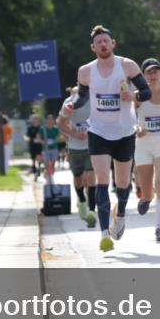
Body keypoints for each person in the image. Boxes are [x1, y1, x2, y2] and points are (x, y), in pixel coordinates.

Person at [62, 25, 152, 252]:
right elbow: (83, 97)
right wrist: (74, 105)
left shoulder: (127, 66)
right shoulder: (85, 71)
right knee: (101, 179)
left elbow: (147, 92)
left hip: (124, 131)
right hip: (98, 131)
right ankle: (104, 234)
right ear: (93, 47)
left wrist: (134, 96)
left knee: (122, 184)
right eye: (98, 42)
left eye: (106, 41)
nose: (103, 45)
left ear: (113, 43)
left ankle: (120, 213)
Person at [134, 58, 160, 242]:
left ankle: (159, 228)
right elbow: (128, 117)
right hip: (143, 144)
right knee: (148, 189)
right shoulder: (138, 96)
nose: (153, 75)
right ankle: (146, 198)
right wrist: (137, 128)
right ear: (143, 76)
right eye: (149, 72)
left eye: (155, 71)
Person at [59, 86, 97, 224]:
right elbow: (61, 123)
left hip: (91, 145)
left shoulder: (93, 100)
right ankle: (81, 199)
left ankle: (92, 211)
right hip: (75, 147)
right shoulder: (69, 102)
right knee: (78, 179)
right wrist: (74, 134)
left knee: (91, 177)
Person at [39, 114, 61, 181]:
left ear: (53, 120)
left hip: (54, 148)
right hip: (45, 149)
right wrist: (43, 142)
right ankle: (49, 178)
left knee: (52, 164)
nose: (50, 120)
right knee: (47, 164)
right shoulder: (42, 128)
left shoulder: (56, 129)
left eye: (51, 119)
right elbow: (38, 137)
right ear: (46, 120)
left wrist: (55, 140)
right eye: (48, 119)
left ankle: (51, 176)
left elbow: (59, 137)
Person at [25, 115, 43, 180]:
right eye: (33, 119)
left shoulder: (41, 128)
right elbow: (26, 136)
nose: (34, 120)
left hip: (39, 145)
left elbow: (44, 136)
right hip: (32, 145)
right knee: (33, 160)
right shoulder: (30, 128)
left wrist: (41, 140)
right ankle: (34, 170)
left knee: (39, 157)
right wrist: (27, 139)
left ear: (38, 120)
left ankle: (39, 168)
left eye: (36, 119)